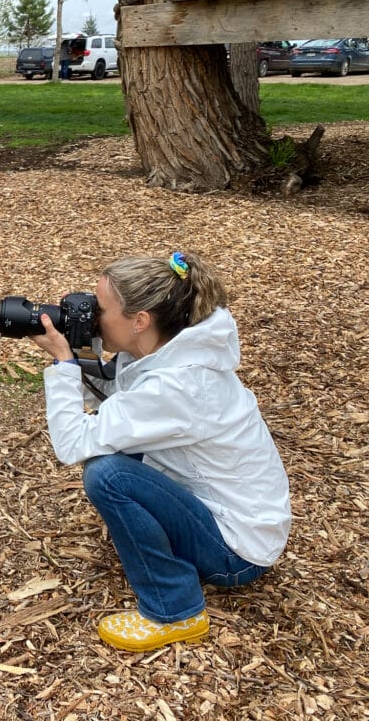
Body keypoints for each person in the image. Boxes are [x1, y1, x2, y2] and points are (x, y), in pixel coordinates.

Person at [29, 252, 290, 652]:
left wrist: (65, 363)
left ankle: (175, 608)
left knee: (107, 473)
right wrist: (78, 352)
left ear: (140, 320)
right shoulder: (165, 352)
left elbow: (72, 443)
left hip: (237, 551)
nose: (92, 318)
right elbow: (117, 398)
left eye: (99, 309)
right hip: (227, 512)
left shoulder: (178, 387)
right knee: (116, 451)